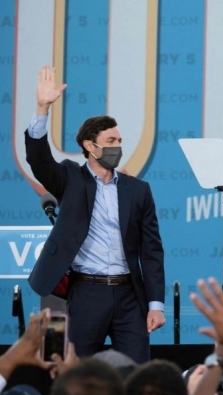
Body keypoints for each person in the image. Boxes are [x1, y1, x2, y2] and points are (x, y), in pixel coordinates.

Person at [25, 66, 165, 363]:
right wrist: (42, 109)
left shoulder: (138, 190)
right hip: (86, 293)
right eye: (111, 141)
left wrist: (156, 305)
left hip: (129, 295)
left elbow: (151, 250)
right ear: (90, 146)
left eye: (119, 141)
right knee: (74, 373)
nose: (118, 147)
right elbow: (39, 160)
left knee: (138, 375)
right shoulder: (70, 178)